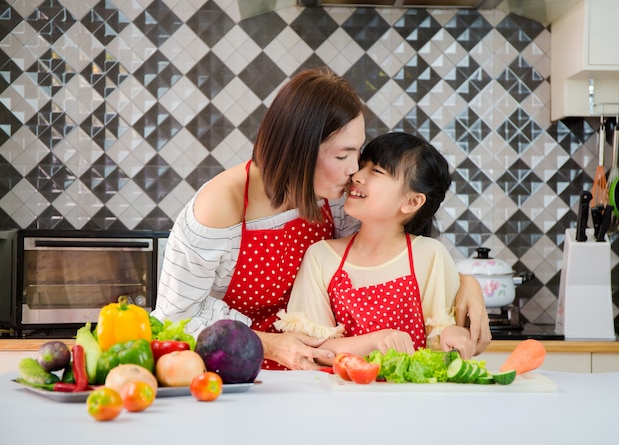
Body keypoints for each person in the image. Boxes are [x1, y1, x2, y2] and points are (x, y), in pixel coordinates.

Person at [152, 67, 490, 370]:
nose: (355, 170)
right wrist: (267, 343)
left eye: (357, 152)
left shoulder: (335, 197)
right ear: (299, 150)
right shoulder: (219, 207)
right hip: (233, 375)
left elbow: (390, 252)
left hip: (315, 374)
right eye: (343, 155)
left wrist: (467, 285)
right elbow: (174, 321)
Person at [275, 131, 476, 362]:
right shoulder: (321, 256)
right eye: (362, 166)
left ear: (412, 201)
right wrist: (376, 340)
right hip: (340, 393)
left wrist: (454, 334)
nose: (356, 175)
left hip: (411, 397)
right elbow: (313, 351)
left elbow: (439, 342)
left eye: (376, 171)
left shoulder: (430, 255)